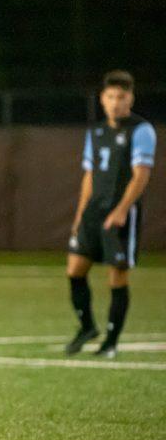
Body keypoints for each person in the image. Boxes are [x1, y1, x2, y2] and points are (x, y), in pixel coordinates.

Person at [65, 70, 155, 358]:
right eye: (111, 97)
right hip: (93, 212)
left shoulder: (141, 130)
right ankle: (88, 326)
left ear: (131, 98)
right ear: (103, 99)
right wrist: (81, 214)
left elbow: (140, 175)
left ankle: (111, 342)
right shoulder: (96, 132)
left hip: (120, 214)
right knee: (75, 270)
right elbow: (89, 175)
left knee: (116, 276)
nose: (116, 102)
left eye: (122, 97)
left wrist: (121, 210)